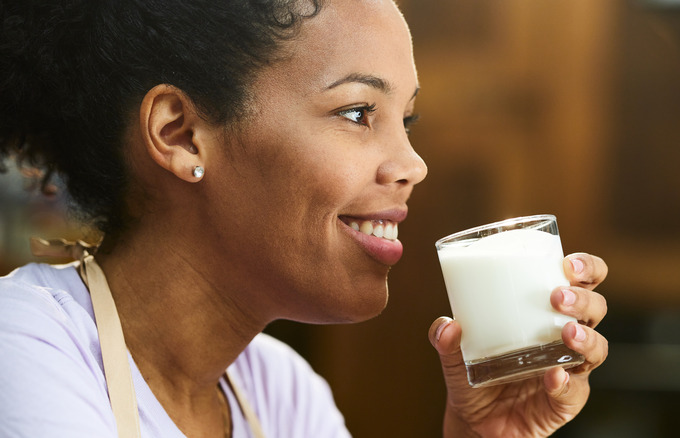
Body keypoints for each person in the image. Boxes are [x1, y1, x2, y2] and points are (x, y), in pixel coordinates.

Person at [0, 0, 609, 437]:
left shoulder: (284, 392)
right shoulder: (22, 349)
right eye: (356, 112)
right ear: (181, 134)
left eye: (408, 121)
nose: (412, 164)